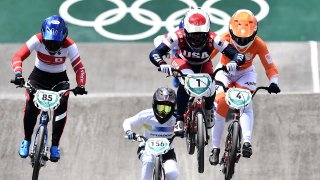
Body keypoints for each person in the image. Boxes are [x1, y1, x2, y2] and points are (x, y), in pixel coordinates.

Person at [149, 8, 246, 135]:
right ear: (185, 31)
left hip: (204, 63)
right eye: (193, 35)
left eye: (201, 35)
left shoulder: (214, 38)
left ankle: (209, 108)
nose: (197, 39)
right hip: (182, 62)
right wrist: (162, 63)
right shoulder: (177, 35)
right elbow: (155, 52)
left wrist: (234, 62)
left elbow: (238, 55)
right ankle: (179, 119)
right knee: (185, 82)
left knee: (211, 84)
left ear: (207, 32)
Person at [208, 9, 281, 165]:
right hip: (224, 71)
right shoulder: (223, 38)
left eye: (246, 39)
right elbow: (207, 57)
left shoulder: (259, 44)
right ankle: (215, 148)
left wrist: (274, 82)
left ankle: (247, 142)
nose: (241, 43)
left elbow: (270, 67)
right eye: (238, 39)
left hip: (246, 74)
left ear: (254, 34)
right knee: (220, 104)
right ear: (230, 32)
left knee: (246, 105)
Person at [11, 15, 87, 162]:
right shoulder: (37, 39)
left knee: (62, 108)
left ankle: (54, 146)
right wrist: (19, 74)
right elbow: (18, 56)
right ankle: (27, 140)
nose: (52, 46)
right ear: (43, 36)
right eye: (49, 42)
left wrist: (81, 86)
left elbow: (79, 68)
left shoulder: (70, 45)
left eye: (56, 43)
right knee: (30, 106)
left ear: (64, 38)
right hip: (38, 77)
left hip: (59, 80)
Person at [123, 87, 179, 180]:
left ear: (173, 108)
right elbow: (127, 122)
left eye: (167, 109)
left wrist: (187, 132)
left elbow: (190, 127)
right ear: (154, 105)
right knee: (148, 161)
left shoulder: (177, 118)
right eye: (160, 108)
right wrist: (129, 132)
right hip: (146, 149)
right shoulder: (146, 115)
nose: (163, 112)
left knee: (172, 173)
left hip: (168, 151)